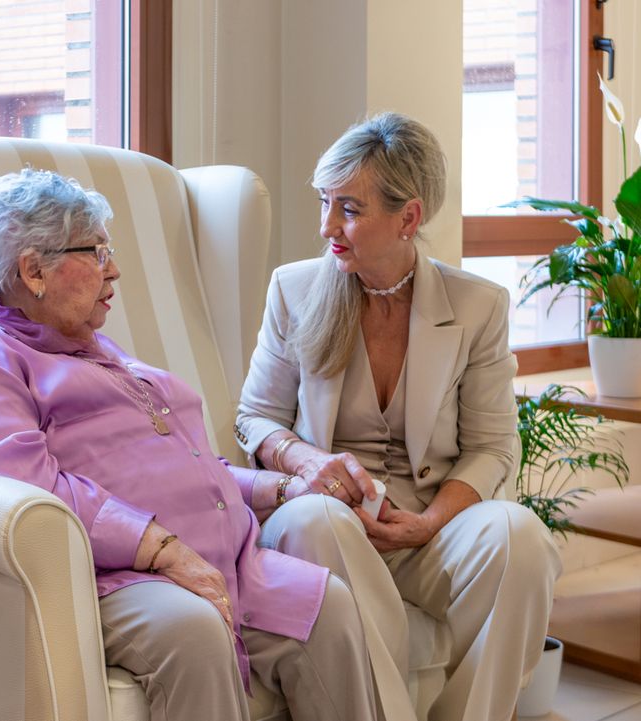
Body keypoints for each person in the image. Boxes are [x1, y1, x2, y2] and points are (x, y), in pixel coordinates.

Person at [0, 168, 377, 721]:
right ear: (33, 270)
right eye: (97, 251)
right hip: (109, 578)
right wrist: (163, 549)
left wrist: (283, 486)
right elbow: (24, 494)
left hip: (227, 563)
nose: (115, 270)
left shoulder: (87, 346)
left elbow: (187, 469)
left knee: (329, 607)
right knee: (194, 630)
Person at [235, 112, 562, 721]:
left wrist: (429, 522)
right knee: (316, 521)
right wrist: (309, 461)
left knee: (522, 539)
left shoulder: (478, 306)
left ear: (408, 218)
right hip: (327, 516)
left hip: (425, 525)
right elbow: (255, 418)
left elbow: (493, 447)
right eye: (324, 202)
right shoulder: (295, 289)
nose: (327, 225)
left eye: (349, 210)